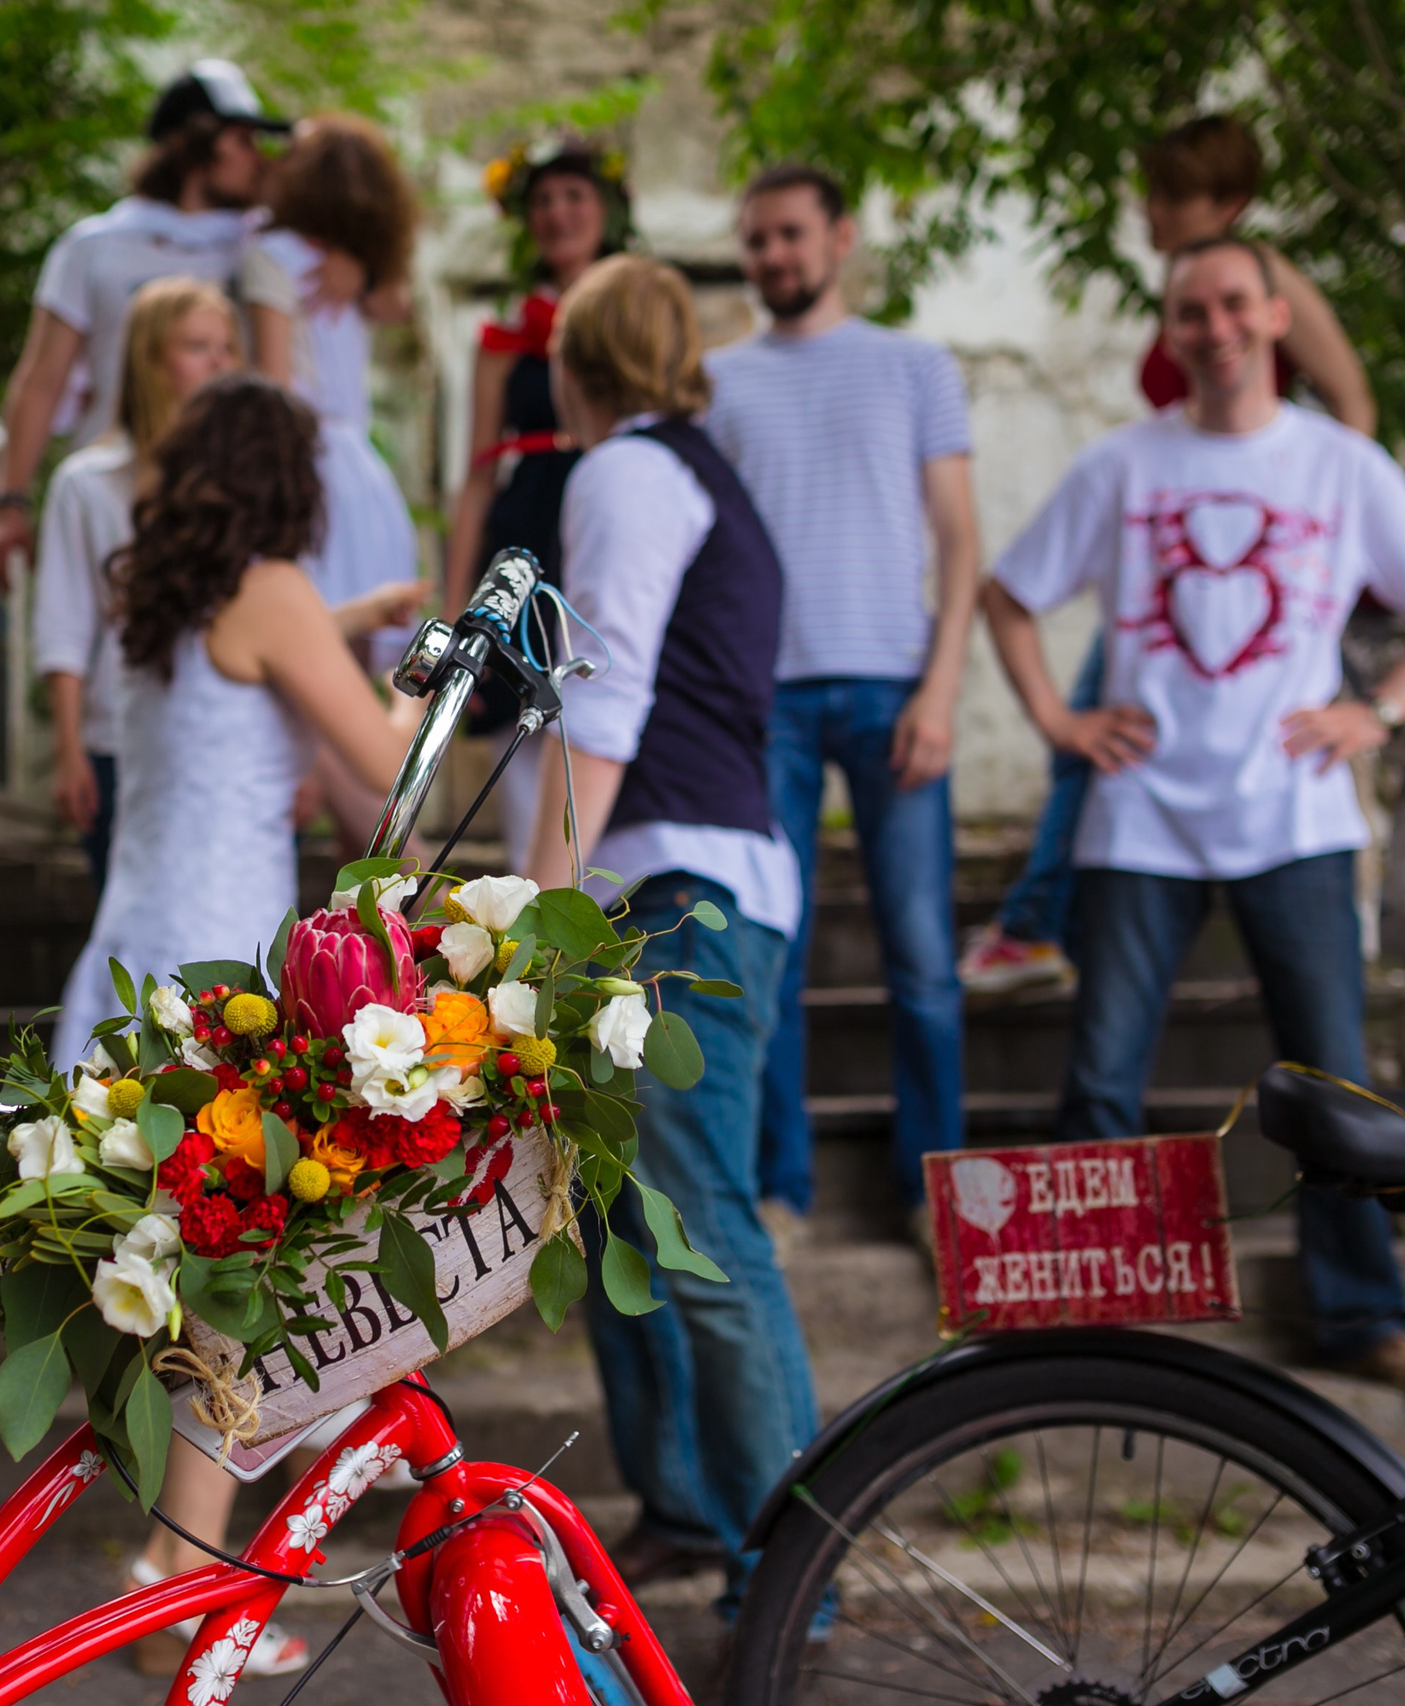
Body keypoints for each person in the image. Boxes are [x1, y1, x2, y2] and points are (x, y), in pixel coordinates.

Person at [981, 236, 1405, 1399]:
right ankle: (1090, 1316)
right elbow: (1008, 593)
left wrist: (1378, 710)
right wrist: (1059, 719)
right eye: (1189, 311)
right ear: (1170, 332)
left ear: (1271, 316)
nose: (1212, 328)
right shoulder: (1122, 463)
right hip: (1139, 814)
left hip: (1294, 815)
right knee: (1102, 1074)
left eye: (1231, 305)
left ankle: (1358, 1317)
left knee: (1334, 1082)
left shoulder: (1338, 463)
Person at [51, 375, 423, 1672]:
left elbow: (258, 686)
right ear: (289, 482)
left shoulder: (159, 599)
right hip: (223, 980)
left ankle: (177, 1568)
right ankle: (182, 1580)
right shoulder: (274, 592)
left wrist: (347, 622)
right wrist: (420, 687)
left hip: (132, 958)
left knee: (201, 1284)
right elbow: (381, 764)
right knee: (237, 1280)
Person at [523, 255, 818, 1593]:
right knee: (622, 1230)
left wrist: (529, 909)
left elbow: (606, 699)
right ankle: (690, 1508)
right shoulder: (696, 473)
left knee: (697, 1231)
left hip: (680, 899)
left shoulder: (629, 470)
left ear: (573, 364)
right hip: (673, 885)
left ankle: (796, 1569)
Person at [962, 113, 1378, 993]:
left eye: (1170, 195)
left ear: (1226, 202)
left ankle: (1035, 921)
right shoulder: (1188, 291)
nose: (1150, 211)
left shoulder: (1266, 282)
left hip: (1249, 563)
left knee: (1095, 736)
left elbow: (1353, 401)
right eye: (1152, 193)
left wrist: (1323, 535)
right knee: (1094, 736)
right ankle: (1039, 919)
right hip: (1171, 561)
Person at [704, 163, 980, 1255]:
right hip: (764, 700)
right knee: (771, 950)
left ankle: (935, 1193)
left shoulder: (915, 365)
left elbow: (959, 540)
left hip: (896, 687)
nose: (772, 255)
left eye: (789, 233)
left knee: (922, 957)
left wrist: (942, 688)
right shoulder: (717, 380)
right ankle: (782, 1189)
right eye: (756, 239)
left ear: (840, 236)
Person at [0, 60, 288, 592]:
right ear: (192, 144)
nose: (257, 159)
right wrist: (9, 502)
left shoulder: (261, 251)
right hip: (112, 499)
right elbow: (42, 379)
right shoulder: (93, 247)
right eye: (242, 141)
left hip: (225, 502)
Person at [238, 113, 424, 848]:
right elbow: (396, 302)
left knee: (312, 675)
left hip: (306, 467)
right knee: (343, 676)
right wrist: (368, 267)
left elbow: (273, 388)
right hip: (362, 478)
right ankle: (393, 862)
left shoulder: (270, 256)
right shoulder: (361, 270)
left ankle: (395, 867)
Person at [444, 141, 631, 871]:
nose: (558, 213)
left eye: (573, 196)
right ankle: (535, 896)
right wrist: (458, 609)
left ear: (606, 209)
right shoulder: (507, 335)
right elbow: (477, 474)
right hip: (528, 531)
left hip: (611, 520)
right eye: (543, 201)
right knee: (521, 721)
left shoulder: (634, 312)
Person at [31, 278, 240, 876]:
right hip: (118, 740)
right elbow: (64, 623)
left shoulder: (244, 483)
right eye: (196, 346)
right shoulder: (86, 484)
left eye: (226, 347)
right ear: (150, 362)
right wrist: (68, 749)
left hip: (229, 742)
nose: (218, 364)